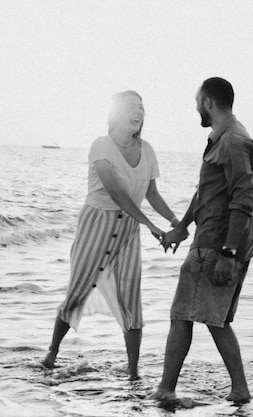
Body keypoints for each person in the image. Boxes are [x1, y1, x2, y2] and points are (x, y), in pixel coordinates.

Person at [42, 90, 179, 380]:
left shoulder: (148, 150)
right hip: (96, 226)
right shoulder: (101, 146)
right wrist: (151, 226)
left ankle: (132, 372)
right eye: (131, 106)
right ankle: (51, 354)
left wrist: (174, 220)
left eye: (142, 107)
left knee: (131, 298)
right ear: (115, 114)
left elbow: (151, 194)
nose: (139, 111)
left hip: (128, 233)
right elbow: (117, 193)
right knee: (77, 291)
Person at [151, 77, 253, 403]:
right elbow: (207, 192)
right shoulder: (222, 140)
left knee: (185, 316)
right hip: (214, 241)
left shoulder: (234, 143)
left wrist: (227, 252)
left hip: (217, 244)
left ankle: (165, 390)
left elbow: (243, 198)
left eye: (198, 101)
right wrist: (182, 226)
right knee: (215, 319)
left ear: (209, 102)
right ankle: (238, 389)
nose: (196, 107)